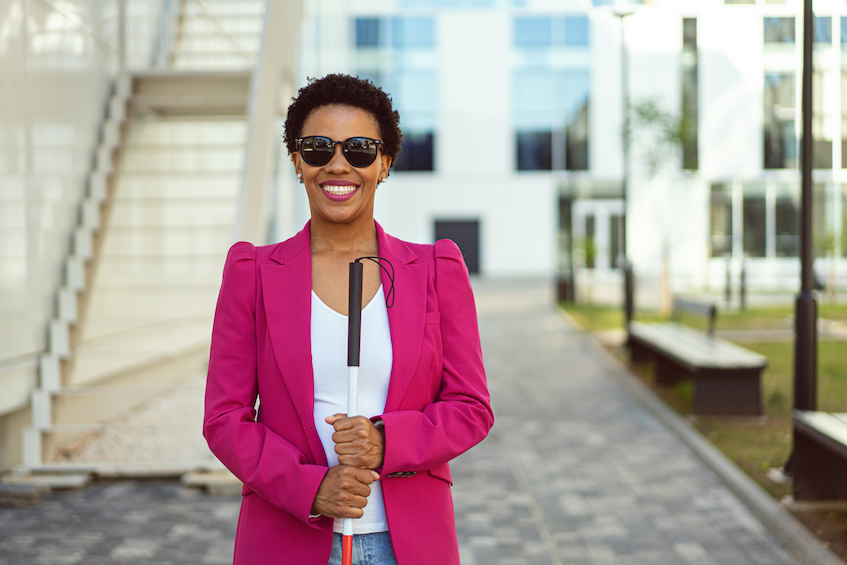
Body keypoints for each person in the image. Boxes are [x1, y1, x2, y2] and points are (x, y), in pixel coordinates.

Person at [203, 73, 493, 565]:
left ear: (384, 163)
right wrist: (310, 487)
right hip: (286, 538)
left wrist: (385, 440)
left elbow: (470, 407)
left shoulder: (436, 269)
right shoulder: (251, 272)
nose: (338, 165)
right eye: (318, 148)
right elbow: (225, 419)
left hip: (405, 544)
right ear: (297, 161)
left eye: (359, 149)